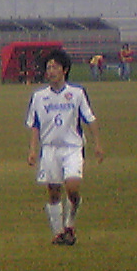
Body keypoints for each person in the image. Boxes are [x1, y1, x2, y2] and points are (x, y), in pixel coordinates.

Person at [26, 48, 103, 245]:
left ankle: (70, 223)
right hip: (50, 149)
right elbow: (34, 124)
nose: (51, 71)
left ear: (65, 70)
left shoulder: (76, 93)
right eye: (48, 67)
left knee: (72, 187)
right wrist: (33, 150)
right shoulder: (39, 97)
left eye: (55, 67)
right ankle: (58, 232)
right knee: (53, 191)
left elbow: (90, 119)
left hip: (72, 148)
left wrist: (97, 144)